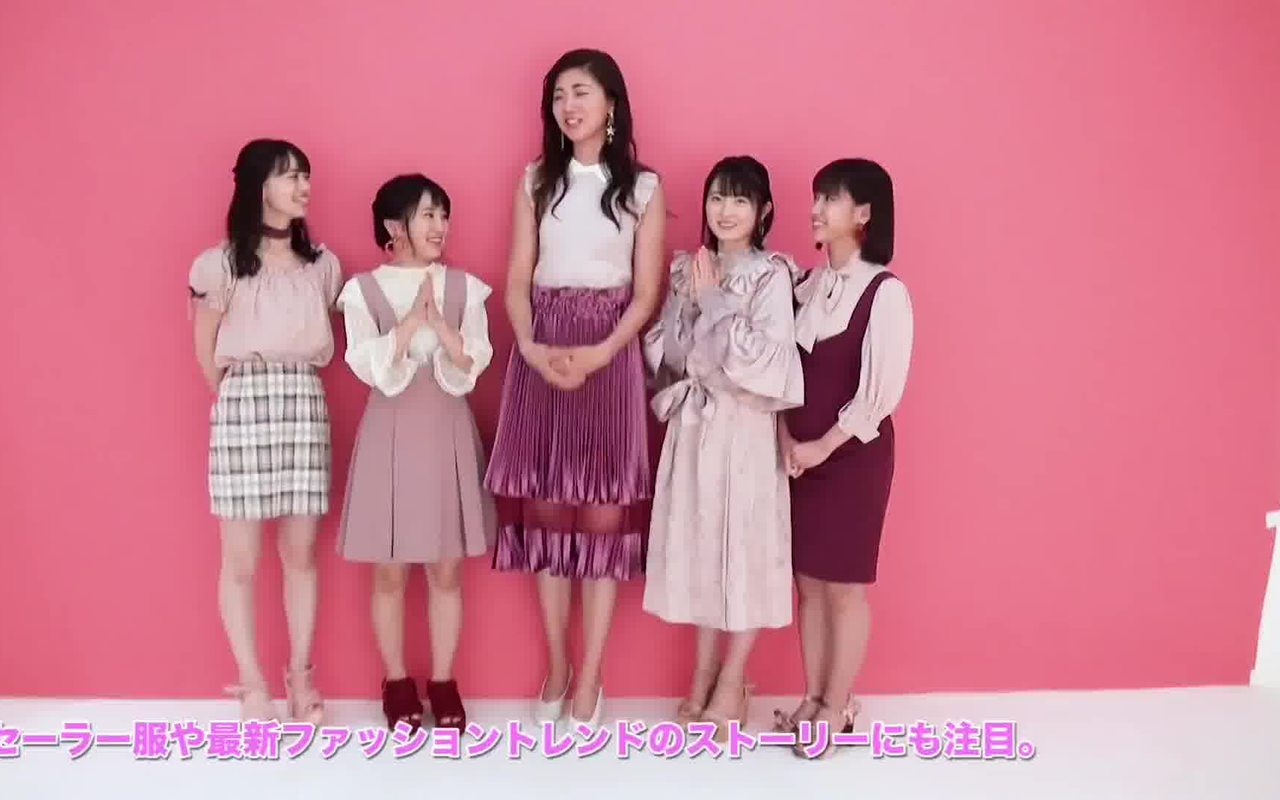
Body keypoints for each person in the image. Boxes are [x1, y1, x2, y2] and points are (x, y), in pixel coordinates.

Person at [484, 47, 665, 729]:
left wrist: (601, 353)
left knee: (602, 516)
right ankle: (558, 663)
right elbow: (516, 277)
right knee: (548, 509)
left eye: (581, 91)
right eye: (559, 95)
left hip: (610, 347)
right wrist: (531, 346)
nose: (569, 105)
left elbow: (646, 293)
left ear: (611, 103)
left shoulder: (643, 188)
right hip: (543, 341)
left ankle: (591, 673)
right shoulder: (535, 181)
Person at [641, 155, 803, 741]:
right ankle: (703, 672)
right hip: (694, 425)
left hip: (744, 429)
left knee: (744, 545)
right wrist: (688, 312)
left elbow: (768, 361)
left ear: (763, 210)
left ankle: (734, 679)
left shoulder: (771, 275)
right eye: (716, 197)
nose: (725, 210)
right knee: (702, 544)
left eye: (739, 199)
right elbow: (667, 352)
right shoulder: (689, 267)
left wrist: (712, 308)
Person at [187, 138, 342, 724]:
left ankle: (300, 676)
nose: (303, 186)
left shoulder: (322, 265)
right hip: (244, 398)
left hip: (303, 397)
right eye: (289, 176)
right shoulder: (221, 264)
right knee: (241, 558)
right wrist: (235, 398)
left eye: (305, 175)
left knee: (301, 553)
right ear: (259, 185)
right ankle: (251, 683)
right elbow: (206, 350)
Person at [335, 173, 496, 733]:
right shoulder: (362, 291)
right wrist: (408, 325)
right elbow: (366, 363)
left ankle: (444, 679)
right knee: (389, 570)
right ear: (393, 225)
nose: (439, 226)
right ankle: (396, 679)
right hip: (390, 432)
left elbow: (472, 362)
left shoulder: (466, 288)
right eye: (428, 214)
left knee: (446, 569)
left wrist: (442, 329)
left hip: (447, 427)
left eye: (443, 215)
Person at [773, 157, 914, 759]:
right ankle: (811, 699)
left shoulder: (885, 292)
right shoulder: (806, 286)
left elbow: (878, 397)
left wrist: (818, 448)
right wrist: (787, 442)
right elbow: (780, 372)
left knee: (845, 588)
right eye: (817, 197)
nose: (816, 209)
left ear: (864, 213)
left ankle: (837, 706)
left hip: (853, 461)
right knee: (808, 584)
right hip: (800, 459)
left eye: (830, 198)